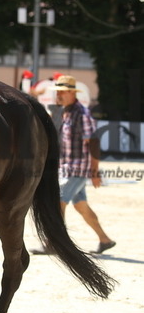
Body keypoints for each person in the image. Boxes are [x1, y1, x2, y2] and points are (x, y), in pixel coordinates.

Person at [32, 74, 116, 255]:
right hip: (67, 168)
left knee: (58, 202)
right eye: (57, 92)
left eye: (62, 92)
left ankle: (53, 243)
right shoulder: (65, 112)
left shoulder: (82, 114)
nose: (58, 95)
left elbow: (93, 142)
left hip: (78, 169)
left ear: (72, 93)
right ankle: (105, 240)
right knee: (81, 206)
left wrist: (95, 171)